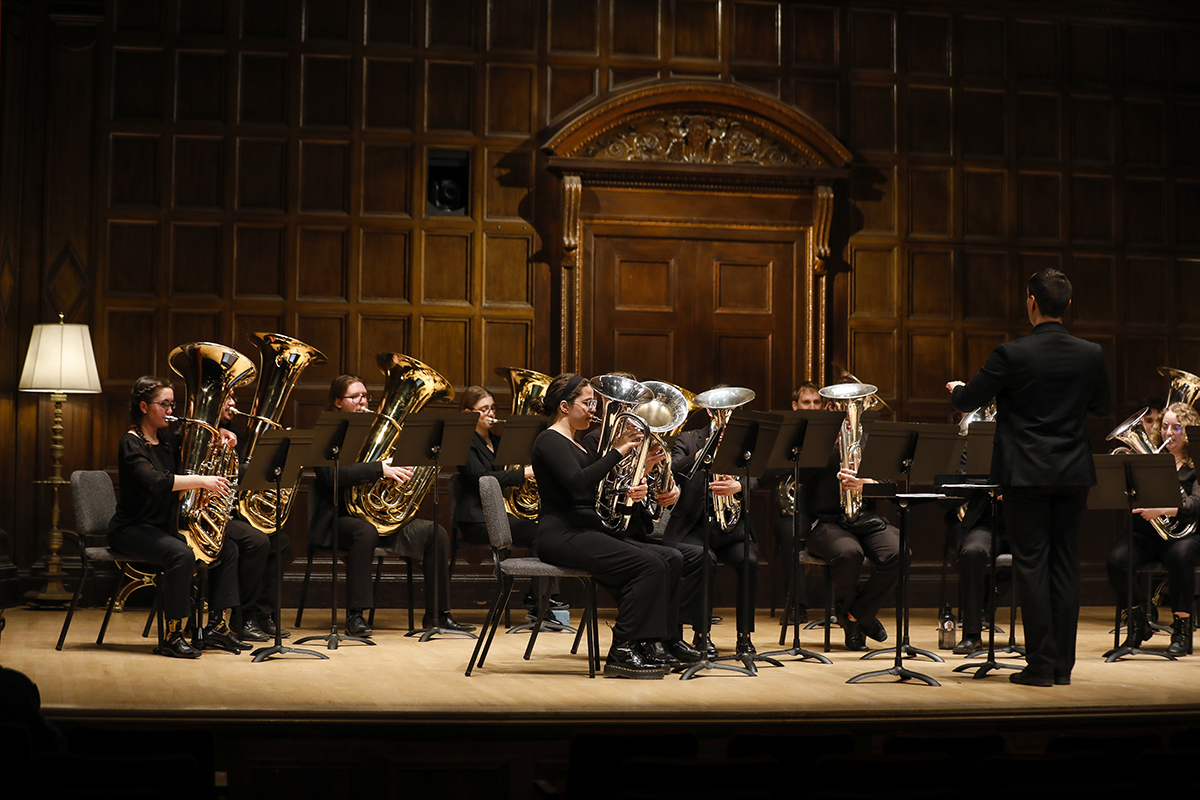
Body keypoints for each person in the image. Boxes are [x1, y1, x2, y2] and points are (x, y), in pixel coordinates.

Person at [948, 268, 1112, 687]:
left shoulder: (1011, 354)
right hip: (1073, 473)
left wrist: (957, 389)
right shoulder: (1090, 353)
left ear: (1031, 302)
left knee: (1033, 565)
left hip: (1025, 476)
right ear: (1068, 306)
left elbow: (969, 400)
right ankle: (1062, 668)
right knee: (1065, 565)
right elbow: (1100, 408)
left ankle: (1039, 666)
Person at [530, 373, 674, 678]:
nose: (593, 409)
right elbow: (579, 484)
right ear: (565, 407)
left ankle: (643, 644)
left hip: (583, 530)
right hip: (561, 534)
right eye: (588, 403)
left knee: (662, 560)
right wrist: (617, 450)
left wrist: (637, 476)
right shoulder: (549, 440)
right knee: (649, 566)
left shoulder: (578, 445)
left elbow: (599, 486)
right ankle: (621, 650)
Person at [308, 374, 472, 637]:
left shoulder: (377, 430)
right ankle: (356, 616)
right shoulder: (326, 432)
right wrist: (379, 469)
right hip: (338, 518)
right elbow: (328, 476)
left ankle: (437, 615)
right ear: (338, 402)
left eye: (365, 396)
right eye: (355, 397)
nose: (363, 401)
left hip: (383, 517)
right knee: (365, 532)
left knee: (436, 534)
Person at [107, 376, 247, 658]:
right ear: (144, 407)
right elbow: (154, 482)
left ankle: (217, 626)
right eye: (165, 405)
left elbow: (201, 439)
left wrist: (221, 431)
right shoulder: (131, 443)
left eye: (173, 404)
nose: (171, 410)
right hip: (132, 529)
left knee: (226, 548)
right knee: (180, 555)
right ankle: (172, 635)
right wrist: (201, 481)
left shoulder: (168, 440)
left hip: (161, 527)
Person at [581, 374, 704, 666]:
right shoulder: (592, 441)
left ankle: (671, 636)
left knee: (698, 556)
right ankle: (651, 640)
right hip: (607, 531)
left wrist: (665, 490)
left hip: (635, 530)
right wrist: (634, 480)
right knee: (668, 558)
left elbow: (651, 510)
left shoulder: (646, 439)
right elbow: (593, 492)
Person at [663, 386, 762, 657]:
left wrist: (738, 486)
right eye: (720, 409)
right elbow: (673, 468)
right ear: (708, 410)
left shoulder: (744, 442)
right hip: (694, 525)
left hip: (730, 527)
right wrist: (699, 456)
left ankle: (744, 636)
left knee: (749, 561)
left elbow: (755, 476)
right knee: (703, 560)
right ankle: (701, 634)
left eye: (732, 409)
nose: (726, 415)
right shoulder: (689, 438)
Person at [1106, 402, 1200, 656]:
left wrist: (1163, 510)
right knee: (1117, 559)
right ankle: (1137, 623)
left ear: (1188, 431)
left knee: (1180, 556)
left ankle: (1182, 627)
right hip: (1148, 533)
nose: (1169, 433)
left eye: (1177, 428)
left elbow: (1194, 503)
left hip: (1185, 534)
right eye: (1165, 427)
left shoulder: (1196, 464)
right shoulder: (1151, 461)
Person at [454, 385, 558, 613]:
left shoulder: (500, 442)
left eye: (493, 408)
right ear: (469, 413)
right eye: (484, 409)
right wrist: (524, 473)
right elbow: (482, 478)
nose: (491, 414)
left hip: (502, 515)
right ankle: (542, 602)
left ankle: (542, 597)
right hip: (477, 520)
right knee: (539, 535)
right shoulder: (462, 444)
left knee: (547, 529)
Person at [217, 395, 283, 642]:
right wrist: (260, 468)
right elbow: (228, 472)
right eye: (228, 398)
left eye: (235, 397)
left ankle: (261, 614)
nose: (234, 403)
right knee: (256, 542)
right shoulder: (196, 432)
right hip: (207, 514)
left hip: (230, 510)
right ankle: (241, 617)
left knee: (281, 542)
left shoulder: (235, 431)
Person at [772, 381, 825, 624]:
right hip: (797, 511)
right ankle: (797, 605)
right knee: (787, 530)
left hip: (825, 509)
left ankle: (844, 607)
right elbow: (769, 472)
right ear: (795, 406)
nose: (812, 407)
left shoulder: (832, 434)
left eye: (816, 402)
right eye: (807, 402)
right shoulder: (784, 434)